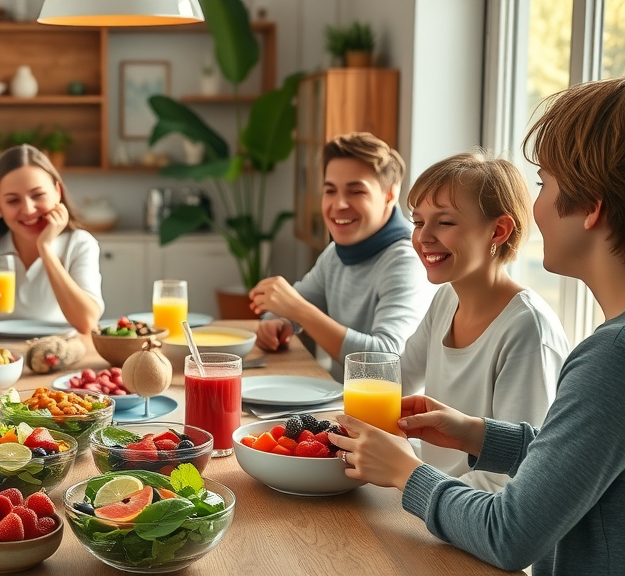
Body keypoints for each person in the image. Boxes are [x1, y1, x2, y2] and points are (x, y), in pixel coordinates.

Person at [330, 77, 625, 575]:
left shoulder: (609, 358)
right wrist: (481, 435)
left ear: (592, 206)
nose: (538, 207)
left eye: (544, 184)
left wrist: (407, 473)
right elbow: (580, 459)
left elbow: (510, 535)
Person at [401, 152, 569, 491]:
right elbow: (397, 379)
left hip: (466, 516)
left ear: (499, 230)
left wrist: (406, 479)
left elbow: (507, 480)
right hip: (433, 498)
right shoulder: (447, 298)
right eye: (419, 222)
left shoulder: (526, 328)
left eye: (444, 222)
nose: (424, 237)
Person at [248, 132, 436, 380]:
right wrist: (276, 323)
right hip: (342, 404)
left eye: (356, 191)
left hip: (387, 415)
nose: (339, 205)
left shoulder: (405, 260)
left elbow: (387, 364)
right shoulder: (336, 253)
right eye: (330, 191)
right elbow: (288, 308)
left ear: (390, 195)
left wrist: (299, 311)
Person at [0, 145, 103, 334]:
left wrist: (45, 249)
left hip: (53, 355)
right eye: (13, 201)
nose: (28, 209)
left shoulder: (79, 244)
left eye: (38, 195)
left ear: (57, 193)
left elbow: (87, 321)